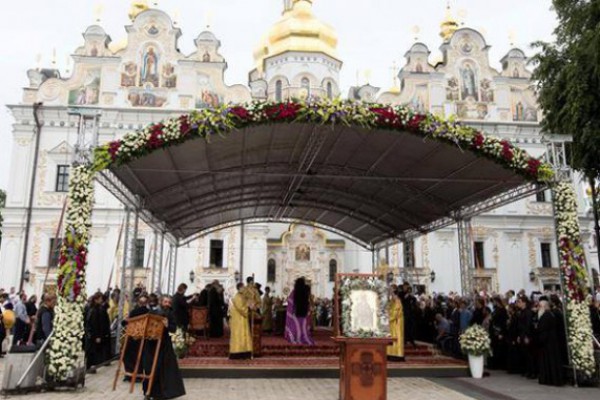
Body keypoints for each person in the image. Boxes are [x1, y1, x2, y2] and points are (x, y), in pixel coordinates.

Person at [142, 295, 186, 400]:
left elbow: (173, 329)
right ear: (161, 302)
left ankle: (161, 393)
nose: (167, 304)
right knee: (149, 368)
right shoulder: (153, 312)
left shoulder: (171, 314)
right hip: (151, 344)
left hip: (164, 345)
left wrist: (167, 325)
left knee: (162, 369)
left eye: (169, 302)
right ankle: (148, 392)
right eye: (165, 301)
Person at [537, 299, 563, 386]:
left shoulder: (546, 316)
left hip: (548, 342)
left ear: (544, 307)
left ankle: (550, 379)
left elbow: (544, 329)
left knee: (550, 361)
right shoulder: (548, 315)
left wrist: (541, 338)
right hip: (549, 341)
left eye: (540, 306)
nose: (538, 308)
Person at [285, 277, 315, 345]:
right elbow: (309, 300)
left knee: (296, 326)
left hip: (296, 312)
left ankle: (296, 338)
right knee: (304, 326)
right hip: (304, 311)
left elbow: (290, 301)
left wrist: (291, 311)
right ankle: (305, 338)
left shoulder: (294, 291)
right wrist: (309, 308)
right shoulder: (306, 290)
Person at [85, 292, 111, 370]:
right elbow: (94, 324)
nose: (101, 301)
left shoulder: (96, 308)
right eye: (100, 299)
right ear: (96, 299)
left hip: (93, 335)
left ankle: (92, 365)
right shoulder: (94, 310)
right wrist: (97, 336)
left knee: (94, 351)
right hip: (93, 335)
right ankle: (90, 366)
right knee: (92, 352)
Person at [229, 283, 253, 359]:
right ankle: (237, 353)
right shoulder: (237, 297)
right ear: (239, 288)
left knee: (243, 336)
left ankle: (244, 352)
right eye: (242, 288)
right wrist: (248, 307)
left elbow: (248, 299)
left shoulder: (241, 296)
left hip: (241, 319)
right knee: (239, 336)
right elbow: (241, 308)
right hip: (238, 320)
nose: (244, 289)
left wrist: (249, 304)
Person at [488, 297, 508, 369]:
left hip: (499, 330)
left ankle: (500, 364)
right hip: (494, 330)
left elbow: (503, 322)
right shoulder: (496, 310)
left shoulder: (502, 310)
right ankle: (495, 364)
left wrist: (501, 333)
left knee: (499, 348)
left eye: (494, 302)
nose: (493, 303)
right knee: (495, 347)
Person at [387, 289, 405, 361]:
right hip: (392, 323)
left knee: (397, 338)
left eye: (392, 294)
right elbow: (389, 308)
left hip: (397, 323)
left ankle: (397, 354)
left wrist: (388, 318)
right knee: (391, 337)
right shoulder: (392, 301)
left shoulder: (398, 302)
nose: (391, 296)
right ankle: (390, 353)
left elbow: (395, 313)